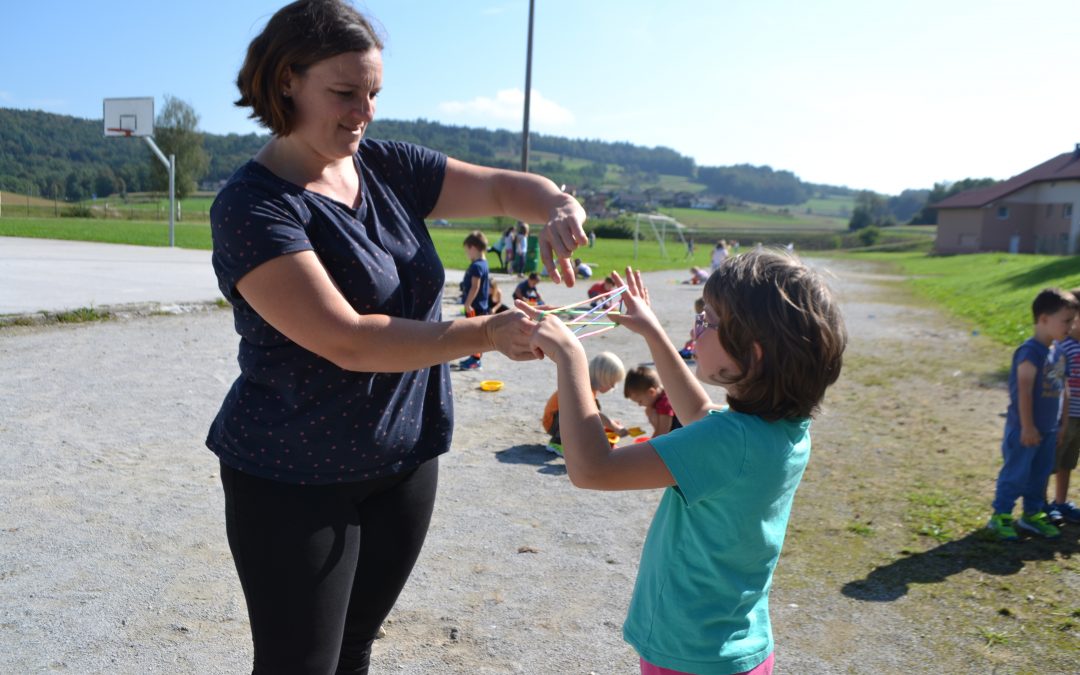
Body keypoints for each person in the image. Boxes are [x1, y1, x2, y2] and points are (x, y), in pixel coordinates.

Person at [206, 2, 588, 672]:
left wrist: (558, 202)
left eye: (374, 93)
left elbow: (501, 186)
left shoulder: (387, 166)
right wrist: (486, 331)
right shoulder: (254, 205)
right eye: (345, 93)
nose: (364, 112)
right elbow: (348, 339)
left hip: (404, 460)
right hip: (292, 476)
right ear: (287, 80)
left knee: (354, 649)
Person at [522, 250, 846, 675]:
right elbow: (697, 413)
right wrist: (653, 332)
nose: (697, 325)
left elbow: (591, 469)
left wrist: (571, 358)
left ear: (753, 353)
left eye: (709, 320)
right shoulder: (782, 429)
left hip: (689, 655)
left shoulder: (728, 442)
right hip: (740, 648)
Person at [987, 288, 1077, 541]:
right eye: (1066, 321)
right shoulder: (1030, 352)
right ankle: (1001, 515)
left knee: (1039, 475)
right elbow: (1024, 391)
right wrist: (1027, 426)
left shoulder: (1059, 352)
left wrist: (1063, 424)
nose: (1071, 326)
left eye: (1073, 321)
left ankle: (1032, 515)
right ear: (1044, 319)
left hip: (1049, 430)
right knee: (1016, 474)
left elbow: (1064, 389)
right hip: (1026, 429)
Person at [542, 351, 629, 456]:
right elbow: (595, 413)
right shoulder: (583, 388)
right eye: (612, 383)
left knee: (592, 409)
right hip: (553, 422)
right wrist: (614, 426)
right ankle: (557, 442)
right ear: (603, 379)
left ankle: (571, 441)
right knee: (583, 412)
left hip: (560, 420)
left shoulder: (589, 388)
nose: (613, 387)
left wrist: (605, 427)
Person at [1048, 290, 1080, 525]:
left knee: (1068, 462)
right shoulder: (1062, 347)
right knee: (1051, 462)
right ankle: (1039, 504)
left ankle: (1060, 501)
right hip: (1064, 415)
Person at [456, 231, 490, 370]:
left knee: (473, 334)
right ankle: (475, 357)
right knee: (476, 333)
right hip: (481, 305)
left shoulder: (477, 266)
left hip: (474, 306)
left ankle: (475, 360)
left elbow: (475, 287)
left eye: (467, 250)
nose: (467, 254)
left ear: (473, 248)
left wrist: (467, 303)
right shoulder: (483, 263)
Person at [624, 365, 682, 438]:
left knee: (651, 412)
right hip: (677, 430)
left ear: (651, 392)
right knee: (650, 410)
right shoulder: (662, 392)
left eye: (640, 401)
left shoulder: (664, 403)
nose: (639, 405)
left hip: (683, 437)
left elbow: (662, 433)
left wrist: (647, 447)